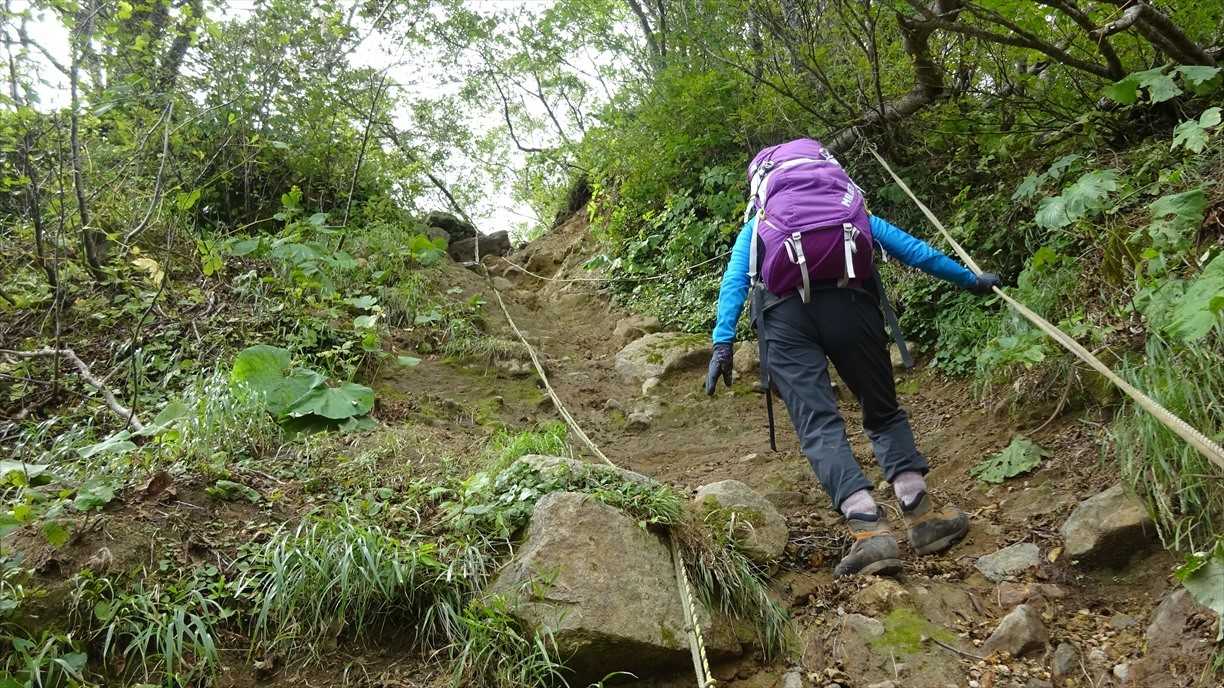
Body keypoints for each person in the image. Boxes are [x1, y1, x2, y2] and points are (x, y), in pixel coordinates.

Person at [704, 138, 1000, 576]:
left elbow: (735, 282)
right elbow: (913, 249)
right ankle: (922, 516)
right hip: (852, 305)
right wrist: (970, 280)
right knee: (882, 410)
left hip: (784, 320)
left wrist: (723, 343)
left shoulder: (761, 224)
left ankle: (869, 530)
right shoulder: (848, 208)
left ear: (762, 185)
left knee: (818, 425)